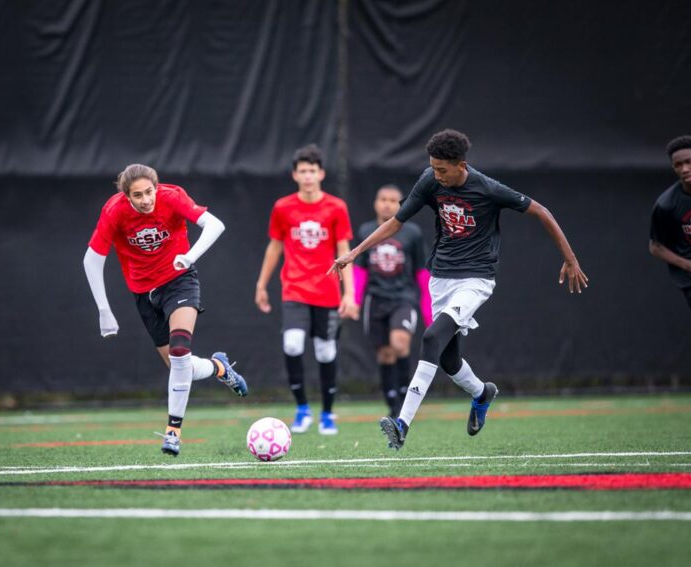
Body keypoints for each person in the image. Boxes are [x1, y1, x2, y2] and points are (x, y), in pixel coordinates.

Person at [329, 129, 588, 450]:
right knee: (449, 360)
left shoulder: (488, 188)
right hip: (441, 278)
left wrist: (569, 258)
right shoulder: (430, 180)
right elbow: (396, 222)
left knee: (430, 338)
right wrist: (354, 253)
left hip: (475, 280)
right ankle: (482, 393)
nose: (436, 176)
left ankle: (402, 424)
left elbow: (541, 211)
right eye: (432, 168)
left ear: (461, 165)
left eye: (442, 170)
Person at [83, 164, 248, 457]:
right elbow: (92, 260)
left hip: (179, 281)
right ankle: (219, 367)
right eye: (138, 195)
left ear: (156, 188)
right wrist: (103, 310)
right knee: (178, 368)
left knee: (180, 352)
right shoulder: (114, 211)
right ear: (126, 196)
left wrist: (189, 256)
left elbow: (215, 225)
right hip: (143, 294)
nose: (146, 199)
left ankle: (173, 432)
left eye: (150, 192)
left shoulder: (172, 196)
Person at [255, 144, 357, 435]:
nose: (308, 176)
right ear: (295, 175)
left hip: (327, 292)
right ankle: (302, 409)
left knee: (325, 352)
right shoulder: (283, 207)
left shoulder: (336, 207)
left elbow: (344, 249)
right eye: (303, 171)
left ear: (321, 173)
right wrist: (261, 284)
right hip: (295, 289)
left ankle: (326, 413)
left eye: (313, 170)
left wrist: (349, 293)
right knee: (292, 344)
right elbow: (274, 246)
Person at [354, 185, 432, 418]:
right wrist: (354, 301)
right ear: (376, 203)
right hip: (376, 300)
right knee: (385, 353)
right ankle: (392, 403)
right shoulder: (366, 230)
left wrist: (429, 310)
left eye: (393, 200)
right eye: (383, 199)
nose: (387, 204)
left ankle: (404, 399)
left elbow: (421, 272)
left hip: (403, 298)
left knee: (400, 344)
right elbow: (360, 270)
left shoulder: (412, 233)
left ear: (401, 204)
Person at [649, 135, 691, 315]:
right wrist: (689, 265)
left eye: (689, 162)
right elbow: (655, 246)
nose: (684, 169)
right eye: (678, 165)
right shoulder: (666, 205)